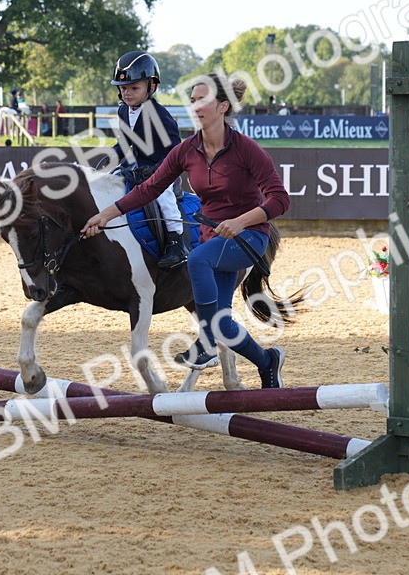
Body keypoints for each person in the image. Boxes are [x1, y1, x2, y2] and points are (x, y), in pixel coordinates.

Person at [80, 73, 290, 388]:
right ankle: (267, 361)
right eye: (192, 100)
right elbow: (147, 190)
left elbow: (280, 200)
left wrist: (240, 221)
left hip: (248, 237)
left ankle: (205, 344)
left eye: (202, 100)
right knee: (224, 325)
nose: (195, 106)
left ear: (222, 107)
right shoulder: (186, 150)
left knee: (197, 261)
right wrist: (104, 216)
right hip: (212, 238)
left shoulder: (247, 150)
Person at [106, 50, 186, 270]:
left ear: (152, 87)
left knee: (164, 196)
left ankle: (175, 243)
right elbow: (124, 144)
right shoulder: (123, 111)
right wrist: (106, 163)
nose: (127, 93)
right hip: (136, 168)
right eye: (123, 88)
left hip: (163, 171)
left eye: (134, 88)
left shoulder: (161, 115)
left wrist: (157, 172)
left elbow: (175, 152)